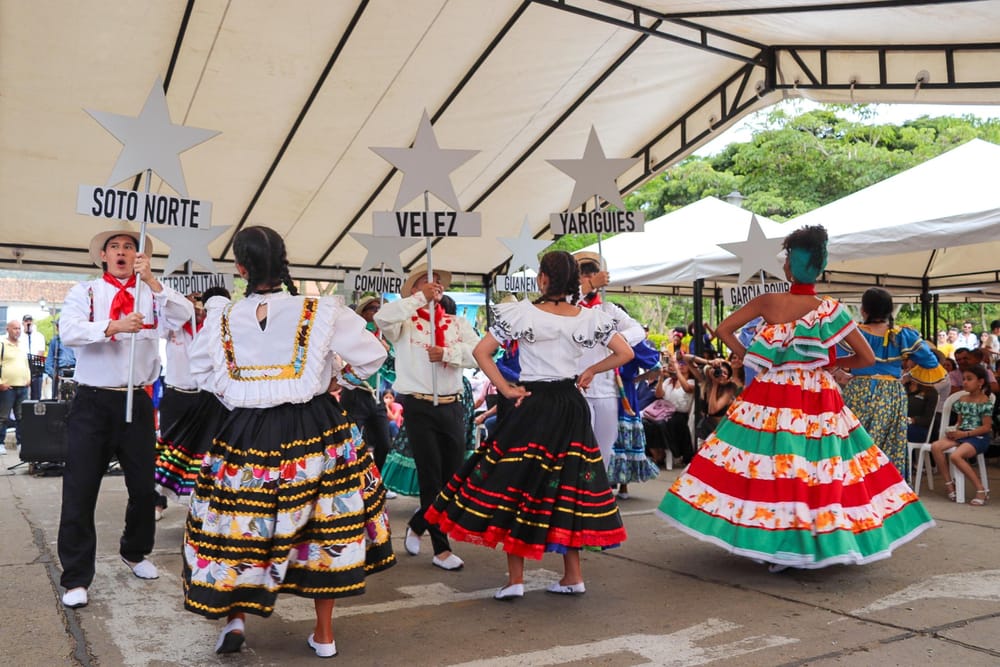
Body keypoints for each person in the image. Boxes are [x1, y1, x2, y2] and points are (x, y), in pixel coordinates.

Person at [658, 225, 934, 572]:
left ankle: (773, 541)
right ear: (819, 267)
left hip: (771, 392)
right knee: (818, 466)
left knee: (768, 464)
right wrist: (830, 364)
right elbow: (866, 358)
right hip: (817, 396)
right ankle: (813, 540)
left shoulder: (769, 301)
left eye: (787, 258)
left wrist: (751, 357)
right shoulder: (831, 310)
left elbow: (724, 330)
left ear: (790, 265)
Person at [182, 226, 394, 658]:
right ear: (284, 264)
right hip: (314, 428)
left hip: (246, 431)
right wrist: (338, 380)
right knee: (323, 527)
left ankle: (236, 620)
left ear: (240, 269)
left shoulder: (223, 317)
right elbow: (373, 354)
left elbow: (199, 373)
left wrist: (241, 395)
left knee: (239, 523)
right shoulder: (322, 310)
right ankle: (324, 635)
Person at [425, 250, 632, 600]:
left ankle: (516, 579)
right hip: (571, 405)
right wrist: (592, 370)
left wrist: (506, 388)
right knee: (568, 487)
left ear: (543, 279)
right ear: (573, 280)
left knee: (517, 484)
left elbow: (481, 352)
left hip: (533, 403)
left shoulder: (522, 313)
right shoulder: (589, 317)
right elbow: (625, 352)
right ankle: (573, 576)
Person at [57, 230, 194, 610]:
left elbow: (183, 315)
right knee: (81, 489)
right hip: (93, 401)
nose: (122, 252)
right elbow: (69, 331)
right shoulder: (85, 292)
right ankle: (76, 576)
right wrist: (113, 326)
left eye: (129, 247)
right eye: (115, 247)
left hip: (138, 398)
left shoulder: (151, 294)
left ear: (139, 256)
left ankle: (135, 551)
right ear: (103, 255)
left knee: (143, 487)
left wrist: (152, 281)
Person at [373, 264, 478, 571]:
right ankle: (441, 549)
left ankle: (419, 523)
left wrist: (447, 354)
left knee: (453, 480)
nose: (435, 286)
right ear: (415, 289)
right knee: (431, 478)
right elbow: (382, 318)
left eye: (438, 282)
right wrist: (420, 299)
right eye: (427, 282)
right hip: (419, 407)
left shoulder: (457, 323)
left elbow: (478, 353)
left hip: (452, 405)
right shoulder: (404, 323)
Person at [838, 287, 945, 480]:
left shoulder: (854, 333)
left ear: (863, 310)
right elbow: (931, 363)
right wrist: (905, 376)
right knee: (890, 443)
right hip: (892, 393)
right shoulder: (904, 335)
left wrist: (841, 374)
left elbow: (829, 358)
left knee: (855, 440)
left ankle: (856, 485)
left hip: (859, 390)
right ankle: (886, 486)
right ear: (889, 310)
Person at [153, 286, 231, 509]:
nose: (199, 309)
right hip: (177, 394)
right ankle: (157, 501)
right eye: (196, 303)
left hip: (208, 399)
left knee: (204, 454)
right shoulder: (174, 324)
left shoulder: (220, 328)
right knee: (168, 450)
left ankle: (202, 503)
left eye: (202, 305)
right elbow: (163, 323)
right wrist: (183, 306)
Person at [572, 251, 646, 473]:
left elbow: (638, 330)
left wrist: (618, 339)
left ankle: (597, 492)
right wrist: (587, 286)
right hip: (575, 388)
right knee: (577, 450)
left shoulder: (609, 309)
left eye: (593, 273)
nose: (590, 277)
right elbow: (564, 301)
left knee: (603, 451)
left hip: (606, 390)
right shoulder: (567, 307)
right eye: (584, 274)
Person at [341, 294, 394, 481]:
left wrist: (386, 350)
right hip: (356, 393)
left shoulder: (385, 336)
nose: (377, 312)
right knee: (351, 443)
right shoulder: (357, 332)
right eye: (373, 308)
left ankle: (376, 481)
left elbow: (392, 368)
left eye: (380, 309)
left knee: (384, 443)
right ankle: (349, 481)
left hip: (377, 396)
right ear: (363, 313)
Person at [930, 364, 993, 505]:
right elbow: (960, 422)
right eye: (963, 379)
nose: (965, 382)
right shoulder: (962, 399)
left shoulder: (985, 402)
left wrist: (964, 434)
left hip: (978, 437)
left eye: (969, 379)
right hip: (962, 434)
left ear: (980, 382)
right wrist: (954, 431)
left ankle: (980, 489)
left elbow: (986, 427)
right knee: (936, 446)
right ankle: (949, 483)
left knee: (955, 456)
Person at [0, 320, 31, 456]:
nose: (17, 331)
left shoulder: (22, 345)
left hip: (22, 387)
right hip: (7, 388)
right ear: (8, 329)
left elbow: (26, 363)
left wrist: (28, 378)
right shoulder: (2, 344)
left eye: (19, 328)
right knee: (3, 417)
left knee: (22, 417)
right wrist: (0, 383)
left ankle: (21, 442)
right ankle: (0, 443)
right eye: (14, 328)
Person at [44, 320, 77, 400]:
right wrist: (54, 374)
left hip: (74, 374)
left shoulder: (75, 340)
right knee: (59, 400)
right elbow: (48, 363)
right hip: (60, 374)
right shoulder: (55, 341)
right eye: (59, 327)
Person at [21, 314, 46, 400]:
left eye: (30, 321)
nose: (28, 323)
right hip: (23, 366)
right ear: (23, 323)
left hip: (36, 367)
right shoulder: (19, 336)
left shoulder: (39, 336)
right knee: (23, 395)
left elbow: (41, 352)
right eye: (26, 321)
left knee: (36, 396)